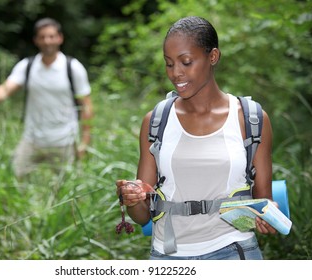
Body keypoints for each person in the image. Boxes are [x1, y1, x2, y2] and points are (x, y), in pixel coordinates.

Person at [116, 16, 276, 260]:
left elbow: (264, 201)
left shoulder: (251, 119)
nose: (176, 73)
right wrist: (132, 197)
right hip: (167, 255)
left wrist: (268, 216)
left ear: (213, 56)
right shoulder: (157, 121)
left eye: (186, 62)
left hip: (234, 250)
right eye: (169, 64)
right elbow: (142, 216)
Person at [0, 18, 93, 179]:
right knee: (13, 179)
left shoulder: (73, 67)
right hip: (32, 139)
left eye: (52, 36)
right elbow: (4, 91)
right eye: (42, 37)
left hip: (64, 141)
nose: (47, 41)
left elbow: (87, 106)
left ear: (60, 38)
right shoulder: (27, 66)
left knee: (67, 190)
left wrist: (85, 142)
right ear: (36, 40)